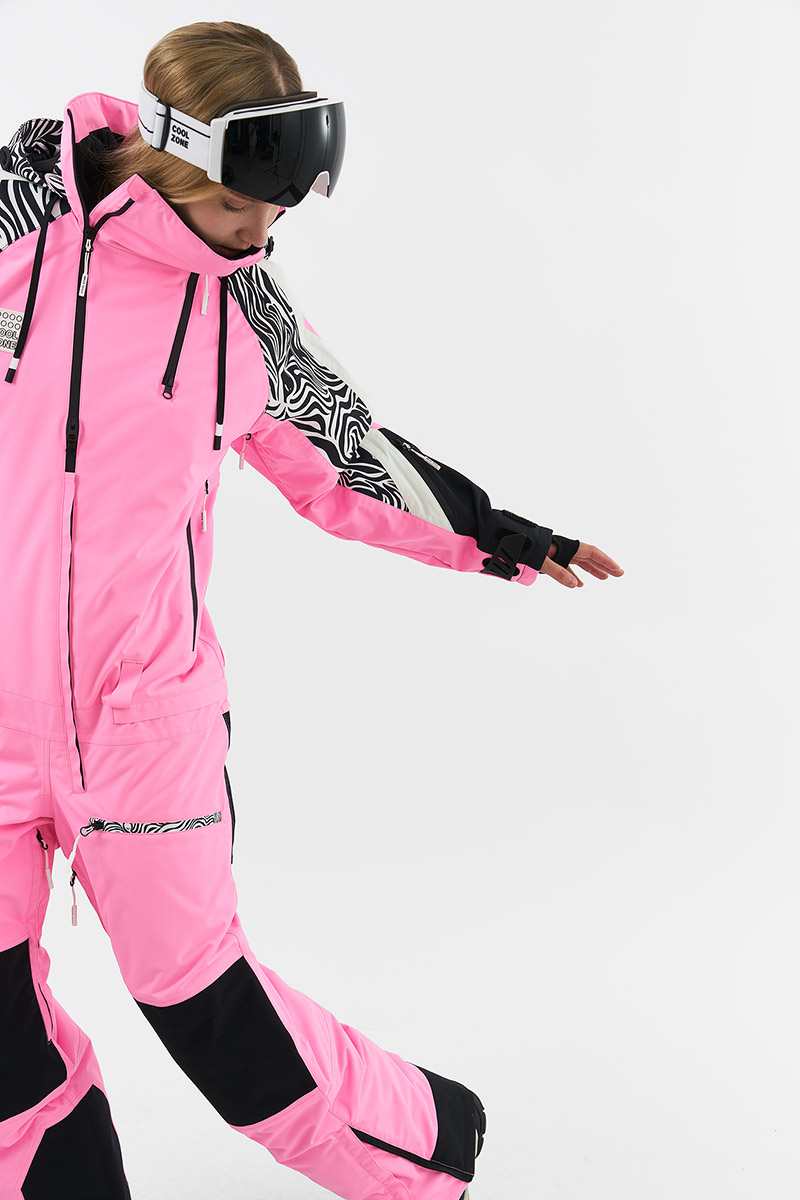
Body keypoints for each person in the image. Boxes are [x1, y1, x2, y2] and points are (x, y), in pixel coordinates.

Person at [0, 19, 623, 1200]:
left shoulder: (243, 314)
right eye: (242, 205)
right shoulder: (14, 225)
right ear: (173, 157)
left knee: (204, 1011)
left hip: (140, 723)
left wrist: (500, 535)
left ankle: (430, 1144)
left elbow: (350, 459)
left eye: (277, 213)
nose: (261, 234)